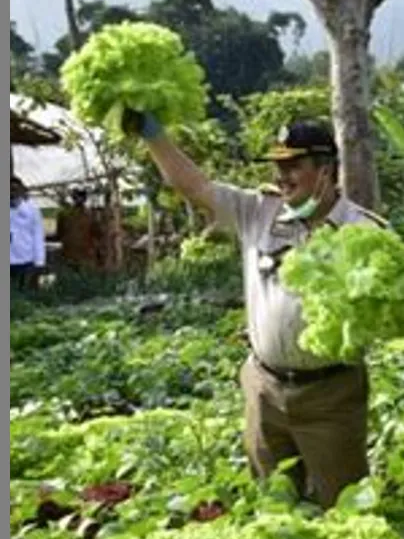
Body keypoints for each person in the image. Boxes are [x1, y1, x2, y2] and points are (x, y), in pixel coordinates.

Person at [123, 110, 386, 508]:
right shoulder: (258, 211)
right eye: (278, 166)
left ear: (326, 169)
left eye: (294, 166)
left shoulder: (363, 231)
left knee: (344, 505)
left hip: (329, 395)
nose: (282, 176)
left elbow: (386, 314)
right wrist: (153, 134)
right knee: (272, 506)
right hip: (264, 390)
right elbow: (193, 186)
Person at [10, 178, 46, 292]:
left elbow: (38, 237)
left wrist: (39, 262)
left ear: (21, 190)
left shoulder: (32, 210)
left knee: (24, 296)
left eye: (14, 189)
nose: (11, 192)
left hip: (25, 261)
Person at [56, 189, 100, 272]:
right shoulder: (64, 214)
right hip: (73, 254)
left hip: (83, 255)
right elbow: (59, 234)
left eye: (80, 197)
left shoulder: (92, 215)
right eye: (77, 197)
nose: (79, 199)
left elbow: (96, 233)